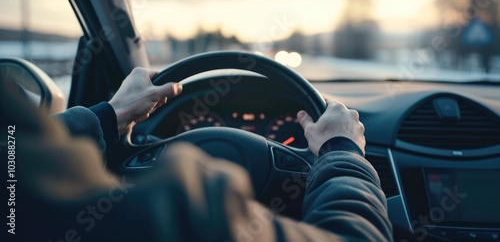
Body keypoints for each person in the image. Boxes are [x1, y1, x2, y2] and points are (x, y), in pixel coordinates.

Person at [0, 68, 392, 242]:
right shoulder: (179, 211)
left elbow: (16, 155)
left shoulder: (22, 204)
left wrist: (110, 116)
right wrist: (341, 151)